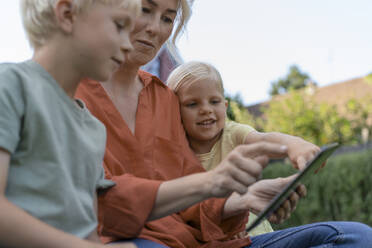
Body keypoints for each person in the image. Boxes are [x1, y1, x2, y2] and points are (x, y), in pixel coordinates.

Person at [76, 0, 372, 247]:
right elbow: (94, 203)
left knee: (354, 238)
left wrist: (244, 200)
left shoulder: (165, 98)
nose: (155, 28)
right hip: (133, 241)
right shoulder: (69, 93)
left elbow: (194, 200)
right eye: (145, 9)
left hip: (201, 243)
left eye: (168, 18)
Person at [167, 61, 372, 246]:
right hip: (215, 241)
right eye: (192, 104)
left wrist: (294, 145)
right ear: (174, 111)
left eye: (214, 101)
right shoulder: (172, 154)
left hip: (255, 236)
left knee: (357, 237)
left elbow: (266, 139)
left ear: (225, 105)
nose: (206, 110)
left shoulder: (231, 133)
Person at [0, 0, 140, 247]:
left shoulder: (94, 129)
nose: (128, 45)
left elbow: (87, 230)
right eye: (119, 26)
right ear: (67, 15)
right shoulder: (10, 85)